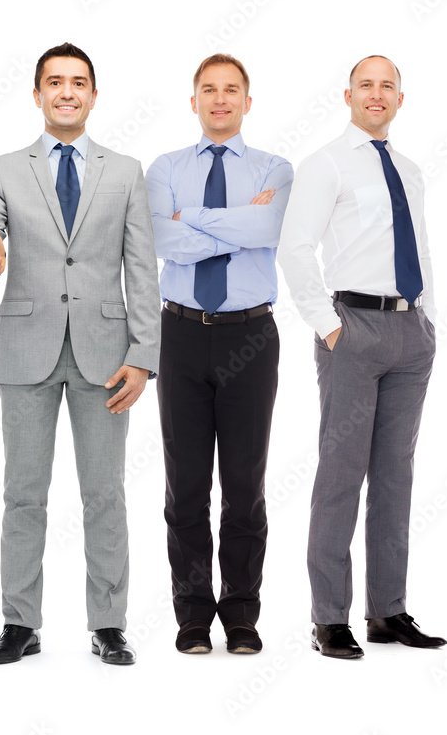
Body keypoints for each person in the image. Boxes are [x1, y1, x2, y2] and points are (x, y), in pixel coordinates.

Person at [0, 43, 161, 666]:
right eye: (55, 82)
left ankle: (108, 623)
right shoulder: (4, 166)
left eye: (78, 83)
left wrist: (144, 354)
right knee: (23, 493)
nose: (67, 92)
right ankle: (20, 623)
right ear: (38, 94)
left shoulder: (126, 170)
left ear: (94, 95)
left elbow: (141, 269)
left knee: (105, 493)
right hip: (27, 348)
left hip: (108, 354)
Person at [277, 55, 445, 659]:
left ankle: (388, 611)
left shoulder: (410, 169)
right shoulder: (325, 165)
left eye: (388, 86)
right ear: (347, 94)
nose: (377, 95)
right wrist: (328, 327)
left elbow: (421, 247)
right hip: (352, 328)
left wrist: (430, 320)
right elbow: (295, 247)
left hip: (409, 332)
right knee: (341, 473)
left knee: (396, 477)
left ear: (402, 97)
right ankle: (329, 618)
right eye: (366, 85)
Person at [146, 53, 292, 655]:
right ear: (194, 100)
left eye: (232, 91)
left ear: (247, 102)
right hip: (180, 335)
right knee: (184, 485)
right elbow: (164, 239)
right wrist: (235, 220)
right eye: (209, 89)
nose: (221, 99)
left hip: (250, 337)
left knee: (244, 483)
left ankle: (240, 614)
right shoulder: (164, 168)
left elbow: (268, 230)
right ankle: (191, 613)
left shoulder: (275, 169)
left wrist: (196, 219)